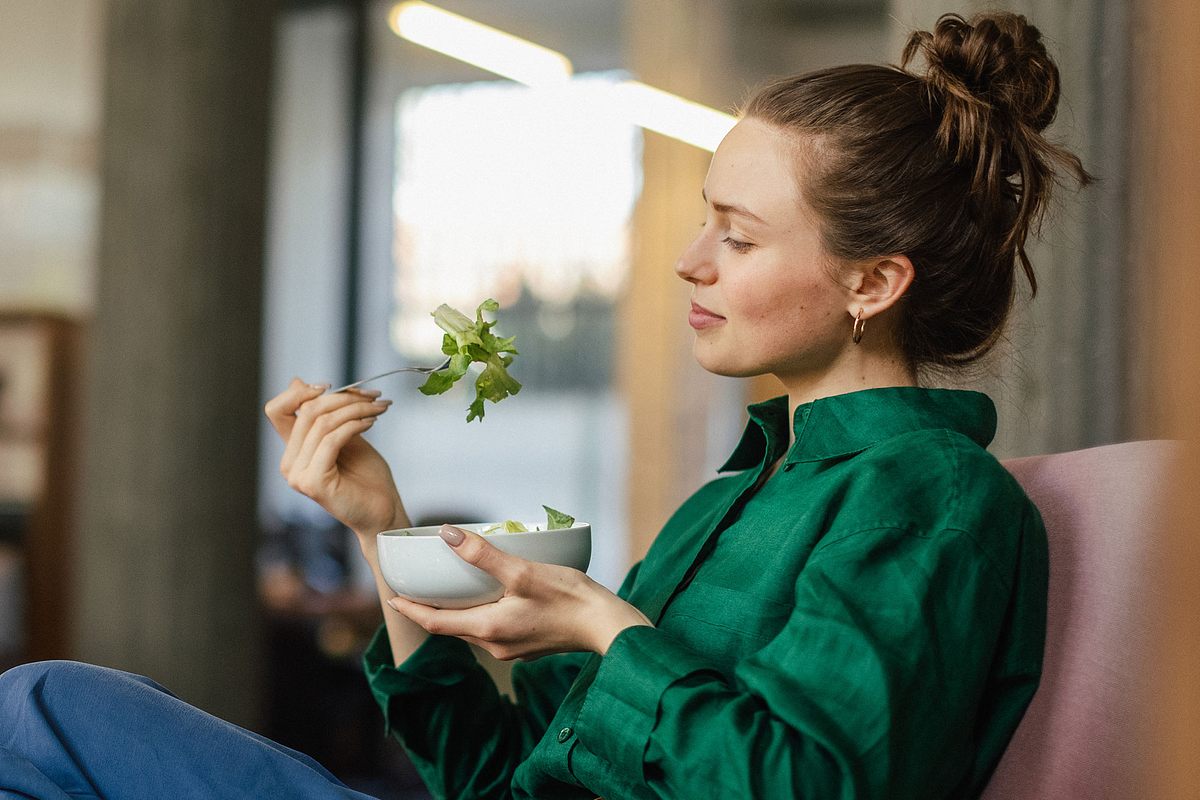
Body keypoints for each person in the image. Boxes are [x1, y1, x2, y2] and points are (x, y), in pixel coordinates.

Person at [0, 11, 1090, 800]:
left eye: (739, 236)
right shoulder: (745, 483)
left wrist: (602, 624)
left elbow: (798, 784)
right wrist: (384, 529)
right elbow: (494, 773)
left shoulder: (935, 496)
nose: (688, 260)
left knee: (39, 711)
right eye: (705, 219)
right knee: (39, 722)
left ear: (872, 282)